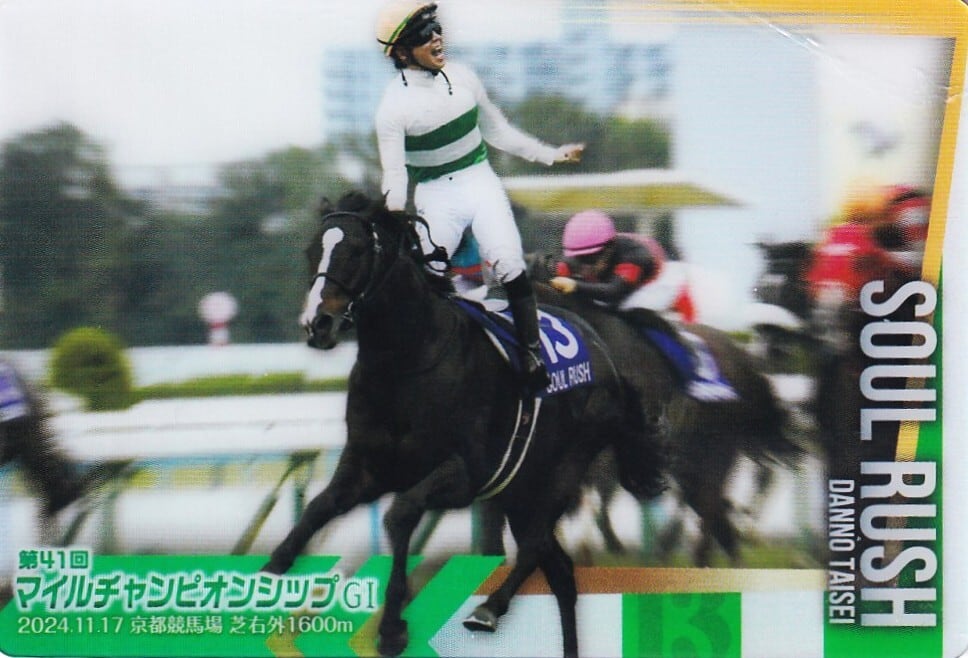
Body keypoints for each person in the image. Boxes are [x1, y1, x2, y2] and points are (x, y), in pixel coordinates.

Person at [374, 0, 585, 391]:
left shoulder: (464, 77)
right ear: (402, 53)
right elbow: (395, 174)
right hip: (436, 195)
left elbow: (499, 132)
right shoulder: (392, 109)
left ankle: (531, 355)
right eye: (425, 35)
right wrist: (392, 214)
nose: (437, 38)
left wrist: (551, 155)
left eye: (437, 29)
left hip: (479, 182)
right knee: (427, 274)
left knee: (508, 263)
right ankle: (417, 362)